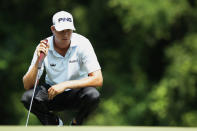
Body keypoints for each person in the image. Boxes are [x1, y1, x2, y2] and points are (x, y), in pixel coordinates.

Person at [21, 11, 103, 125]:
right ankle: (54, 123)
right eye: (61, 30)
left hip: (77, 93)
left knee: (93, 95)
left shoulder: (83, 43)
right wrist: (37, 63)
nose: (65, 34)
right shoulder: (43, 46)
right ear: (53, 29)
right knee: (27, 98)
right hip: (52, 93)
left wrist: (65, 85)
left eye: (68, 30)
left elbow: (98, 79)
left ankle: (76, 123)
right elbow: (28, 85)